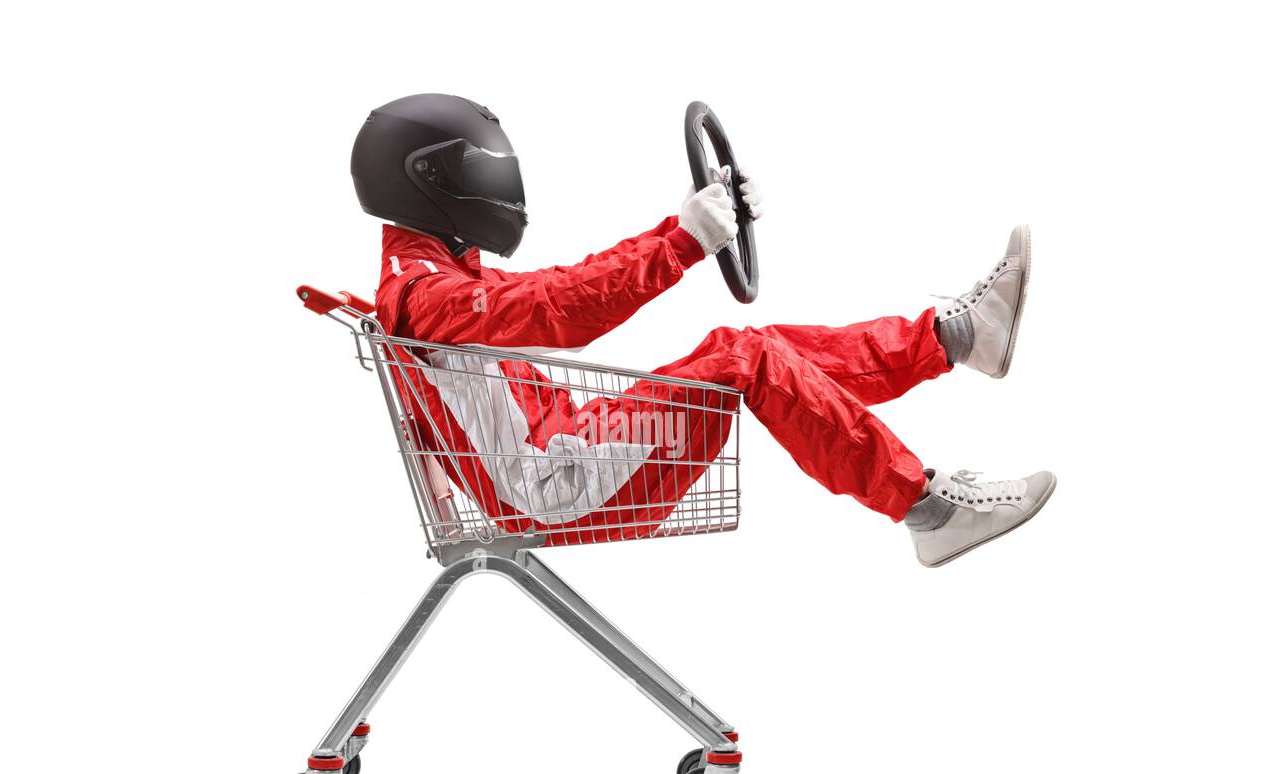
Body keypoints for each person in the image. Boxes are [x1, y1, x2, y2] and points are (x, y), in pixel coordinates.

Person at [353, 94, 1055, 567]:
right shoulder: (428, 296)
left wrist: (681, 223)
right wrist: (683, 244)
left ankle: (955, 339)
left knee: (745, 352)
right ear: (431, 181)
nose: (503, 189)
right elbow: (555, 309)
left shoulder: (438, 276)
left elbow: (559, 285)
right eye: (486, 169)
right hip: (556, 485)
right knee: (747, 357)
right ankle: (925, 505)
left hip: (565, 455)